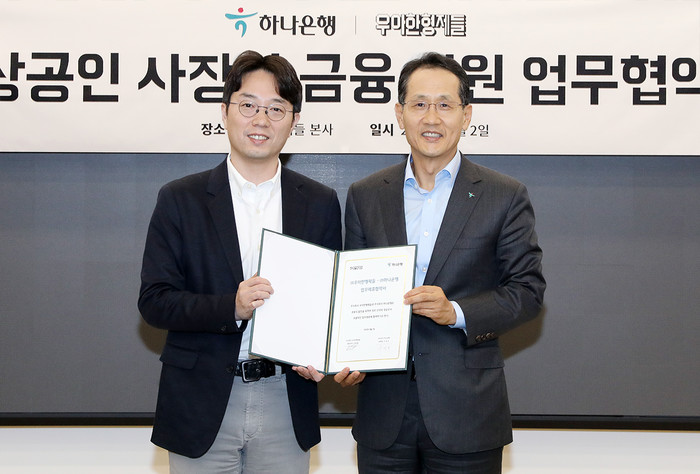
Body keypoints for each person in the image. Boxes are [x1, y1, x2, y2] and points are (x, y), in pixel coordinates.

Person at [334, 52, 546, 473]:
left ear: (466, 115)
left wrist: (456, 312)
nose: (431, 118)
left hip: (467, 412)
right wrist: (347, 354)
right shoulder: (366, 195)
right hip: (383, 412)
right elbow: (351, 292)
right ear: (400, 114)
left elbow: (527, 292)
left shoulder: (504, 195)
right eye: (419, 104)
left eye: (445, 105)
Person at [138, 50, 341, 473]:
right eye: (248, 105)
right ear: (225, 111)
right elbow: (155, 301)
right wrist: (230, 306)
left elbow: (331, 302)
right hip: (201, 400)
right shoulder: (180, 199)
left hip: (286, 397)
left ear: (294, 120)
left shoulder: (319, 203)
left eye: (276, 108)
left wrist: (325, 352)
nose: (260, 120)